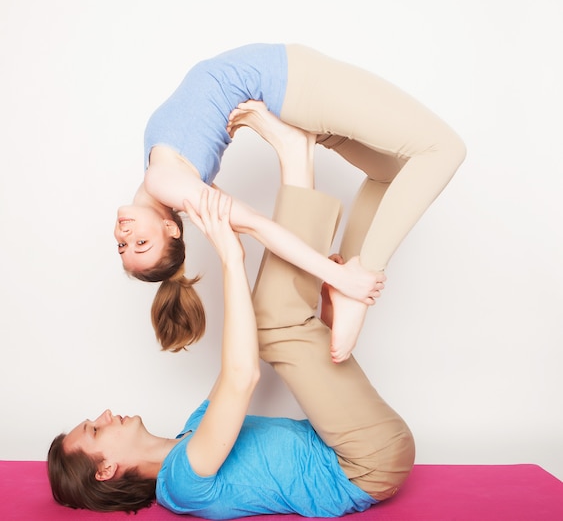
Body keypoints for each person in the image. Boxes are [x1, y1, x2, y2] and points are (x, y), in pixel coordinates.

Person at [49, 121, 415, 516]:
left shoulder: (194, 429)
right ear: (105, 469)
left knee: (269, 326)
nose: (104, 415)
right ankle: (296, 160)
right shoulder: (180, 484)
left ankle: (307, 163)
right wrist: (231, 256)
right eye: (96, 430)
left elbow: (242, 359)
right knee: (271, 327)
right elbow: (242, 376)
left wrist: (219, 219)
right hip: (363, 466)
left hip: (349, 443)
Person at [116, 43, 465, 361]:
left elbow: (247, 226)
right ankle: (359, 280)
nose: (126, 234)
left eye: (124, 246)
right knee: (443, 149)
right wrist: (341, 277)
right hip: (289, 81)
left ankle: (350, 281)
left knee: (387, 175)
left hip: (284, 93)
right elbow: (259, 226)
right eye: (140, 244)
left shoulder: (176, 182)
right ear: (170, 229)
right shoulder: (165, 183)